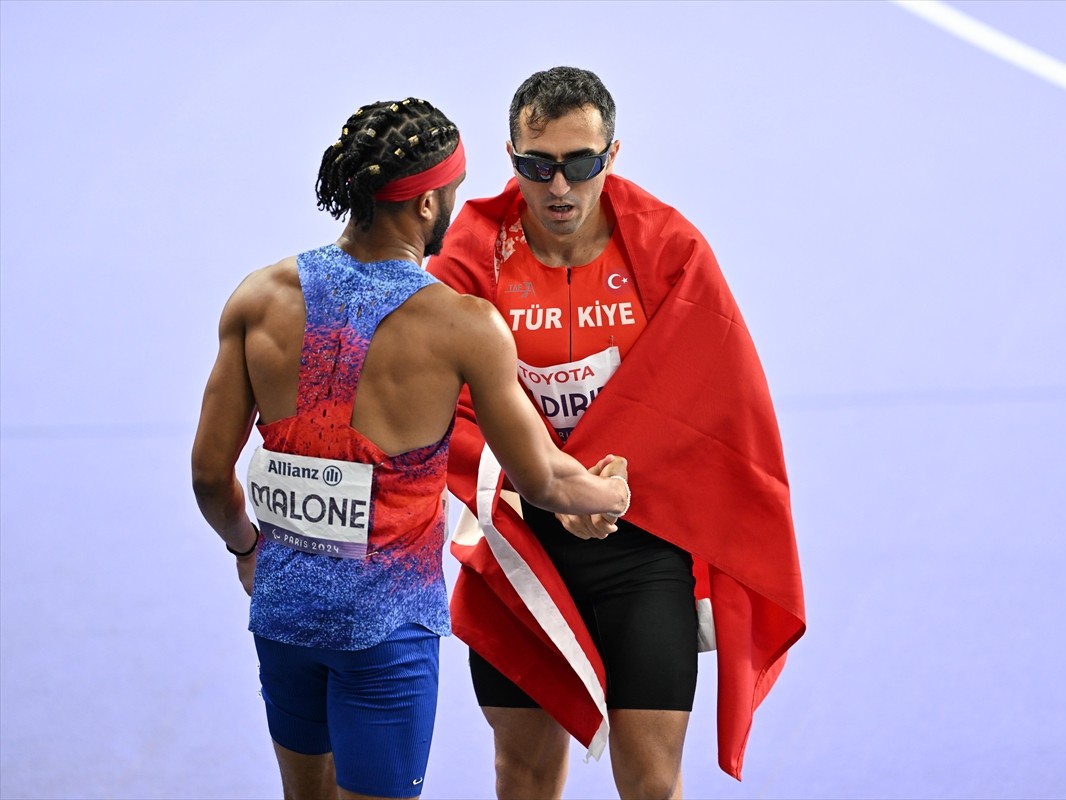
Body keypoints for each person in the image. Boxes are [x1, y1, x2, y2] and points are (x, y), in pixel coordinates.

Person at [190, 97, 631, 800]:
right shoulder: (462, 326)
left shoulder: (258, 299)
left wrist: (248, 549)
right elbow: (541, 477)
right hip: (386, 637)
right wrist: (608, 493)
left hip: (283, 619)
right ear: (428, 204)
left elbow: (210, 478)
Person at [427, 67, 807, 800]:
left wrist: (604, 487)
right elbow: (439, 405)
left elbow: (716, 402)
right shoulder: (473, 254)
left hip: (638, 543)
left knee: (652, 782)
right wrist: (547, 485)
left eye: (580, 164)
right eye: (538, 167)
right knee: (524, 776)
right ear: (511, 157)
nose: (559, 188)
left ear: (613, 154)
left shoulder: (669, 249)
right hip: (520, 543)